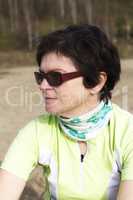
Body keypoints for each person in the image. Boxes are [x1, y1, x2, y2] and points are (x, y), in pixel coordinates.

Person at [0, 24, 133, 200]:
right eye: (41, 76)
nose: (43, 86)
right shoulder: (37, 130)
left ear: (96, 82)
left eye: (55, 77)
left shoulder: (127, 132)